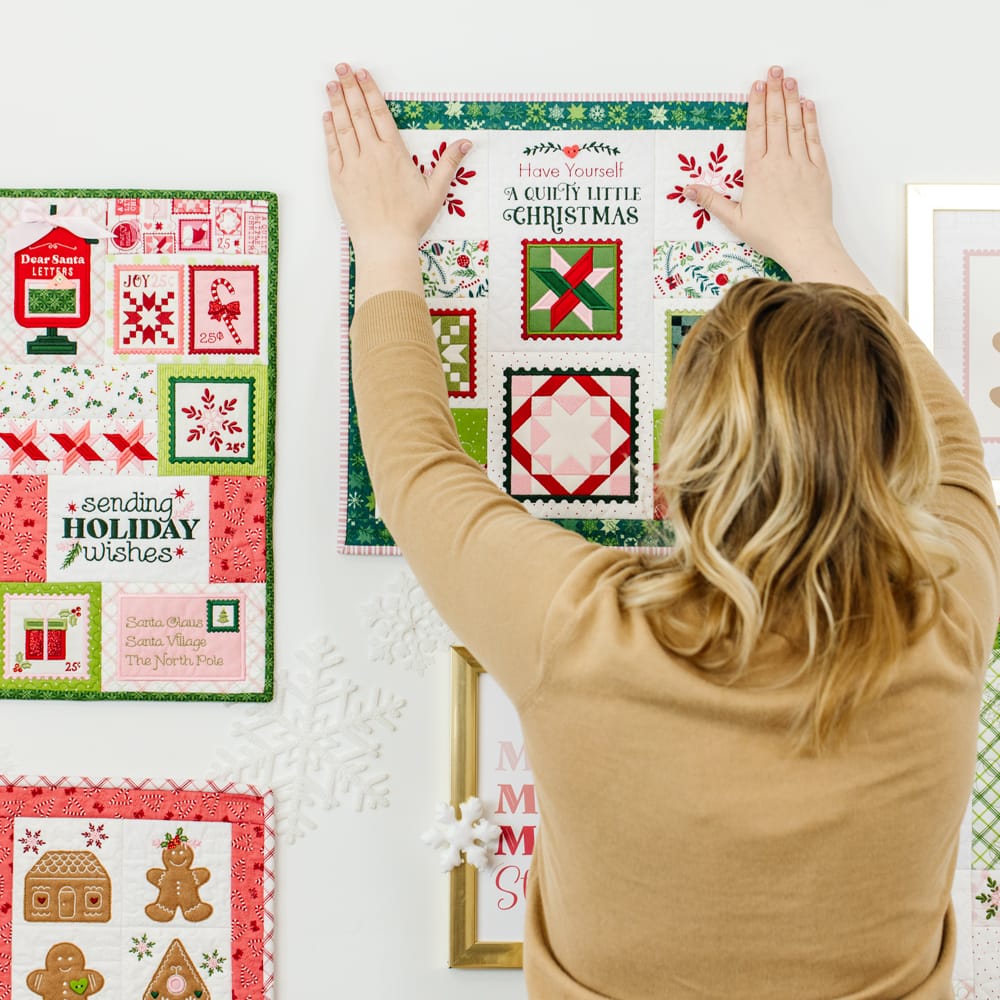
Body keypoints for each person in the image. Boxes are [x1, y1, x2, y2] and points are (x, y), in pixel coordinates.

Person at [324, 62, 1000, 998]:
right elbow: (956, 444)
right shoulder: (946, 615)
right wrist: (811, 241)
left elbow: (415, 466)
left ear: (667, 494)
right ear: (893, 464)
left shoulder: (581, 628)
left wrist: (384, 240)